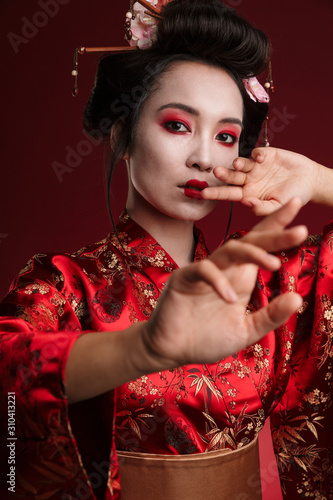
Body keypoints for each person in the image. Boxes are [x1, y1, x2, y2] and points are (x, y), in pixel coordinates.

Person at [0, 0, 332, 498]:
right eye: (177, 124)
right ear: (123, 135)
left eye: (226, 136)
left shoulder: (261, 276)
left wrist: (319, 179)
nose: (203, 156)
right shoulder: (65, 284)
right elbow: (9, 373)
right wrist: (142, 347)